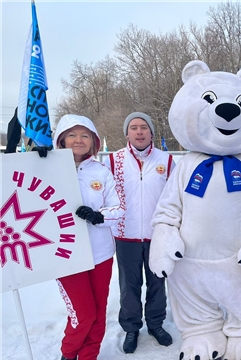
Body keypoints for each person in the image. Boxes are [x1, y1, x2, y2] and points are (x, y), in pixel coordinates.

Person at [53, 114, 125, 360]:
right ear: (61, 139)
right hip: (65, 254)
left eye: (85, 135)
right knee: (83, 314)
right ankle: (68, 354)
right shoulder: (47, 168)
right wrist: (37, 162)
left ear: (93, 141)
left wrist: (99, 216)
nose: (78, 140)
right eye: (72, 134)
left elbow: (119, 208)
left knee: (98, 312)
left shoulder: (101, 171)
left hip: (100, 253)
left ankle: (88, 356)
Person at [103, 112, 175, 354]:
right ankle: (131, 327)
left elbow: (177, 197)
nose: (139, 131)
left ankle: (155, 324)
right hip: (126, 235)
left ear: (151, 132)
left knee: (157, 282)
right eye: (134, 127)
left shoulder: (167, 160)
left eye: (144, 127)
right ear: (127, 133)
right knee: (129, 285)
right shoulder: (113, 161)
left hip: (157, 235)